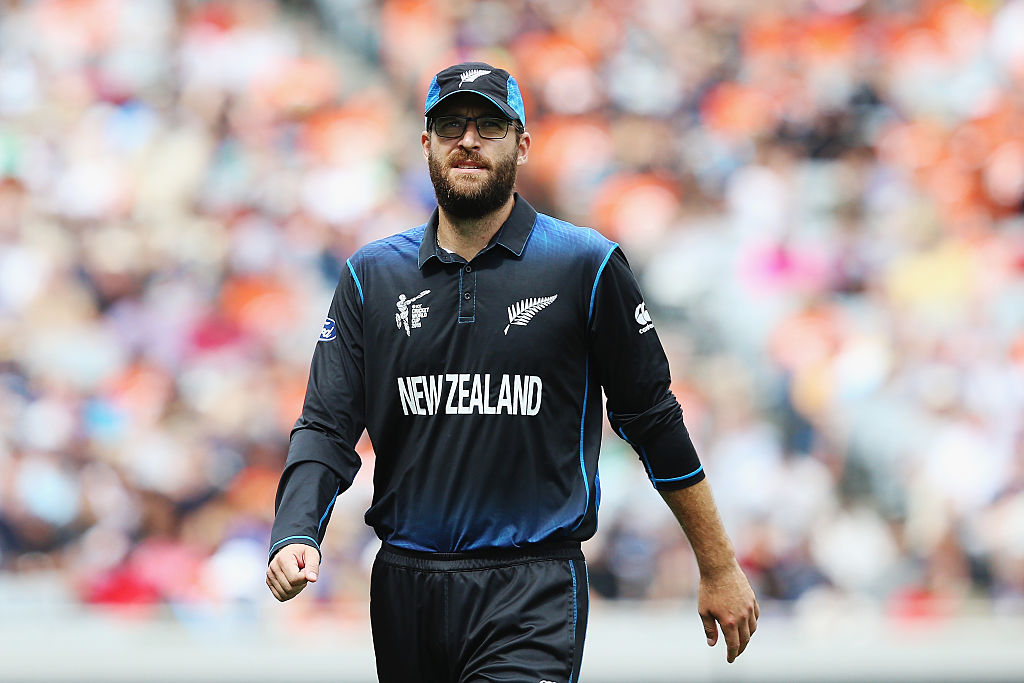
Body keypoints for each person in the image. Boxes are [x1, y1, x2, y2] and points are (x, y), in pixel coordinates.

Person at [266, 61, 758, 682]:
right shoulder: (373, 275)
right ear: (426, 144)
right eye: (450, 125)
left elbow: (653, 420)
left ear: (522, 144)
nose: (467, 140)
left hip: (533, 590)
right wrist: (294, 532)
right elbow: (326, 426)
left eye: (488, 126)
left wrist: (716, 564)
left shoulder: (586, 266)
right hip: (404, 587)